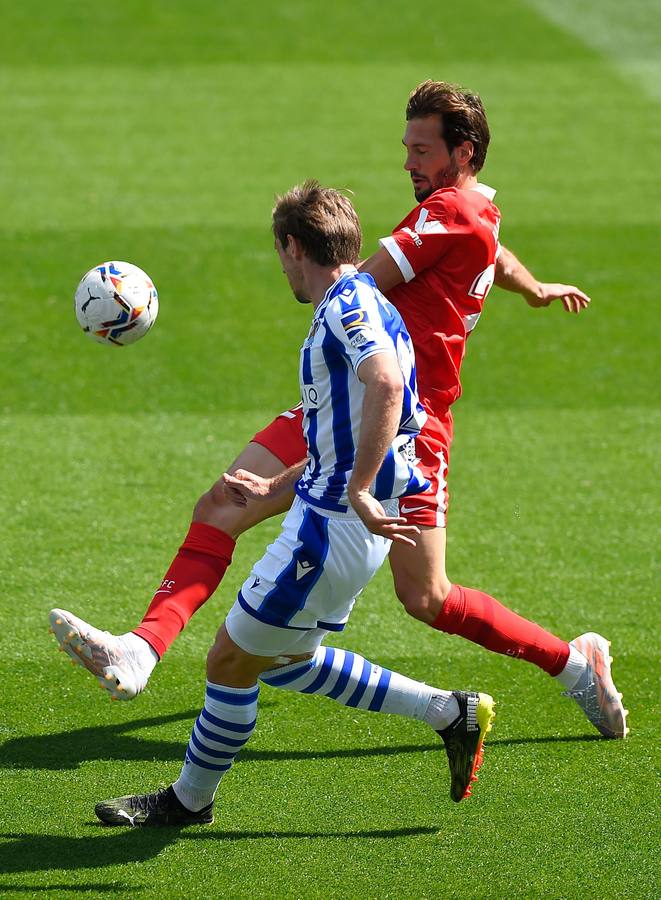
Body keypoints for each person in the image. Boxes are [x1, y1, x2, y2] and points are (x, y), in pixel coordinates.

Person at [50, 80, 627, 740]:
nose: (407, 162)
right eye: (405, 147)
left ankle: (571, 664)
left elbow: (356, 284)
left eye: (420, 149)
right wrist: (532, 288)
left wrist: (310, 266)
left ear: (463, 152)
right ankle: (143, 647)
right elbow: (488, 248)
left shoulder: (446, 214)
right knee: (222, 505)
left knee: (426, 598)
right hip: (345, 397)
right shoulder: (471, 209)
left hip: (404, 422)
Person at [94, 183, 496, 825]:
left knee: (228, 658)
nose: (281, 266)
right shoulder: (374, 304)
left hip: (328, 532)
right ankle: (450, 712)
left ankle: (188, 801)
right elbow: (353, 425)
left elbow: (387, 386)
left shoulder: (347, 307)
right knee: (284, 662)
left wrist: (359, 489)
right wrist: (274, 488)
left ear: (293, 245)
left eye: (280, 253)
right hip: (337, 525)